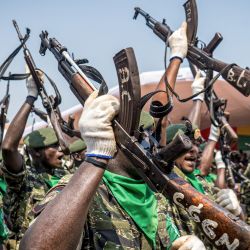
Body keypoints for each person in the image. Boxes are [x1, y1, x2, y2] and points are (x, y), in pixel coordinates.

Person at [20, 22, 206, 250]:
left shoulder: (159, 193)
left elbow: (161, 113)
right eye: (143, 136)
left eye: (152, 136)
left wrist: (176, 55)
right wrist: (97, 155)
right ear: (117, 140)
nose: (154, 143)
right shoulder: (81, 192)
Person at [1, 70, 66, 249]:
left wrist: (53, 113)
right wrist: (31, 96)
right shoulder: (24, 179)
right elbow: (7, 148)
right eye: (53, 147)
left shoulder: (66, 176)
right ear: (35, 153)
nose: (61, 152)